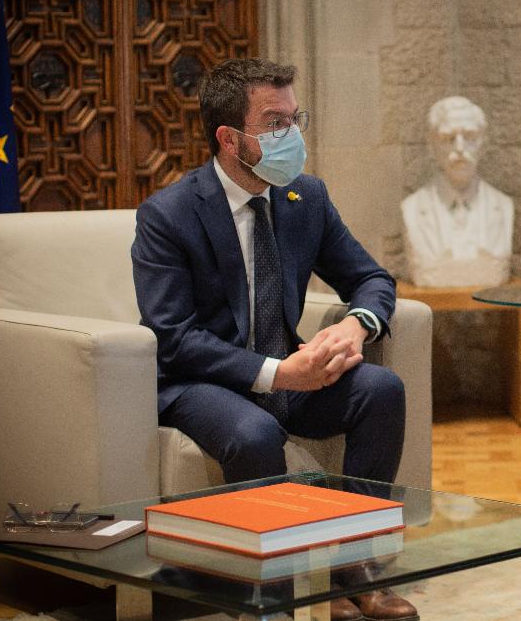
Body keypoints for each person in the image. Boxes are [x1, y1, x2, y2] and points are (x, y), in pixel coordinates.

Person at [132, 58, 415, 621]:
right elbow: (173, 336)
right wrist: (281, 373)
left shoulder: (304, 198)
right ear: (229, 138)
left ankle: (352, 568)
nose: (294, 136)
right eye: (276, 123)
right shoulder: (168, 214)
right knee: (254, 432)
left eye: (295, 118)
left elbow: (371, 277)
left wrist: (356, 325)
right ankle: (270, 598)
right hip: (199, 381)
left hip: (288, 367)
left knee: (381, 389)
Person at [401, 95, 513, 287]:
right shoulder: (412, 208)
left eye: (469, 137)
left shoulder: (503, 207)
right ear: (432, 146)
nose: (460, 148)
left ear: (484, 143)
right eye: (448, 138)